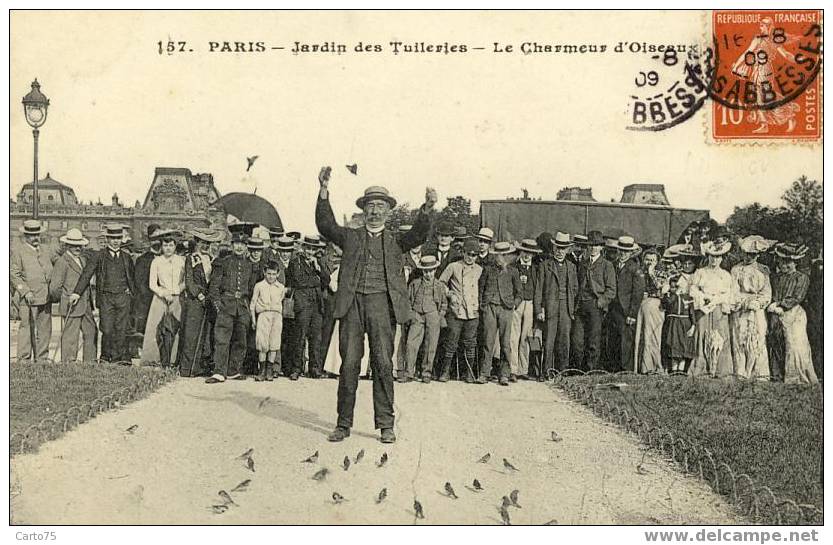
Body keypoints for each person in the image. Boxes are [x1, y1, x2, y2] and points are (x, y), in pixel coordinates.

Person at [315, 167, 435, 444]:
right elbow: (325, 225)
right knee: (349, 365)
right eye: (371, 206)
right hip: (352, 305)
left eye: (380, 206)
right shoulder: (351, 237)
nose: (375, 212)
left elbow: (418, 234)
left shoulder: (396, 240)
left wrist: (427, 209)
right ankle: (343, 424)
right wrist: (323, 190)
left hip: (383, 305)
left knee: (382, 363)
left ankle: (386, 425)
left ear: (388, 212)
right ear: (364, 210)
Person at [72, 224, 136, 364]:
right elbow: (86, 274)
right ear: (107, 239)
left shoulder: (126, 257)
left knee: (121, 327)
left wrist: (131, 294)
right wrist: (77, 292)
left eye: (118, 238)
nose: (115, 241)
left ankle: (120, 358)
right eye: (112, 238)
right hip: (106, 296)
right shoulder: (98, 256)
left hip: (122, 297)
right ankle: (106, 356)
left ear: (122, 239)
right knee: (106, 328)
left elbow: (132, 278)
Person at [206, 228, 257, 383]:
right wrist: (218, 306)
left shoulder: (250, 266)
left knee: (240, 340)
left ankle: (233, 370)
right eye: (236, 244)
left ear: (247, 246)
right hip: (225, 305)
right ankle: (219, 372)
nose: (239, 247)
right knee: (222, 339)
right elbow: (214, 287)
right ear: (232, 245)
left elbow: (251, 288)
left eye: (242, 244)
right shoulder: (224, 262)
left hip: (242, 307)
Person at [768, 243, 818, 384]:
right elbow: (773, 294)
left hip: (794, 313)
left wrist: (782, 305)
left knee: (794, 343)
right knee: (776, 340)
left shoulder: (801, 278)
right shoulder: (776, 278)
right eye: (782, 262)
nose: (784, 265)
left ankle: (795, 376)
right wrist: (774, 304)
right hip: (776, 312)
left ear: (795, 262)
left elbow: (798, 296)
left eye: (788, 262)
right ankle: (777, 374)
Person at [178, 228, 221, 377]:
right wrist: (199, 295)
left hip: (208, 299)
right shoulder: (191, 258)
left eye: (207, 243)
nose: (205, 246)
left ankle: (199, 366)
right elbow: (189, 281)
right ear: (196, 242)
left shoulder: (211, 259)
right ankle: (186, 368)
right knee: (191, 333)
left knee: (206, 334)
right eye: (202, 242)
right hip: (195, 300)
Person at [571, 231, 616, 371]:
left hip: (595, 306)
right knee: (577, 340)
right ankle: (578, 369)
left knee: (593, 341)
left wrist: (600, 303)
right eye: (590, 245)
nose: (593, 248)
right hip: (580, 306)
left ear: (601, 247)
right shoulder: (583, 264)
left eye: (596, 245)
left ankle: (591, 370)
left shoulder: (607, 265)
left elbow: (611, 290)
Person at [49, 228, 97, 363]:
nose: (77, 247)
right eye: (74, 245)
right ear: (67, 246)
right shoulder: (62, 262)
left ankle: (90, 362)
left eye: (79, 244)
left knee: (91, 332)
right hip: (72, 305)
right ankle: (69, 364)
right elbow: (54, 288)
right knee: (70, 337)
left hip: (86, 304)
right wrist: (65, 298)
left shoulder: (82, 260)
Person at [730, 235, 774, 380]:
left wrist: (758, 303)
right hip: (741, 308)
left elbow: (767, 292)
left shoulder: (763, 270)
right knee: (740, 337)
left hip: (756, 309)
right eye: (746, 254)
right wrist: (743, 302)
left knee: (757, 338)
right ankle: (740, 371)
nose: (749, 257)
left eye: (753, 255)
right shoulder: (736, 269)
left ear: (758, 255)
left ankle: (759, 372)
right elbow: (733, 290)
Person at [438, 238, 482, 382]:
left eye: (474, 255)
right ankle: (445, 372)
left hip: (473, 312)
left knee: (470, 343)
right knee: (451, 342)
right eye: (469, 254)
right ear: (463, 253)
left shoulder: (479, 269)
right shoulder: (453, 266)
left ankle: (469, 373)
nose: (471, 258)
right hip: (457, 311)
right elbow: (441, 283)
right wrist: (450, 294)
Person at [688, 240, 734, 378]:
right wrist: (703, 298)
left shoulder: (725, 275)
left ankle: (720, 369)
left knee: (719, 336)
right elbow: (693, 289)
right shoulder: (700, 272)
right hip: (703, 308)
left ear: (722, 258)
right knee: (702, 335)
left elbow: (729, 293)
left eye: (718, 257)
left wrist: (716, 300)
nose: (715, 260)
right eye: (712, 256)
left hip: (719, 307)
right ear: (707, 256)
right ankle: (701, 368)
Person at [479, 241, 522, 385]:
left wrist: (513, 306)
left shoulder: (513, 271)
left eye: (504, 255)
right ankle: (484, 373)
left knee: (505, 343)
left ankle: (504, 374)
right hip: (490, 307)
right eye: (498, 255)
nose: (500, 258)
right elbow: (481, 288)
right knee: (488, 341)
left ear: (508, 256)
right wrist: (483, 306)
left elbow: (519, 293)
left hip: (506, 309)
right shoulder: (487, 269)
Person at [286, 235, 330, 380]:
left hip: (317, 305)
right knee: (299, 336)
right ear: (303, 248)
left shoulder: (317, 263)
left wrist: (318, 269)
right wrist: (316, 280)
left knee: (316, 338)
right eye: (308, 248)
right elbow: (299, 281)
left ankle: (314, 369)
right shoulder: (295, 262)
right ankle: (296, 368)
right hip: (302, 304)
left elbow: (326, 280)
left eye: (313, 249)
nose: (310, 252)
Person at [534, 232, 578, 376]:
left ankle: (562, 372)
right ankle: (546, 371)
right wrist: (539, 309)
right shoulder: (545, 265)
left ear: (567, 250)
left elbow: (575, 288)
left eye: (563, 249)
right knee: (549, 341)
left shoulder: (571, 267)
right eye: (558, 248)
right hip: (550, 307)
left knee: (564, 341)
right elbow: (539, 289)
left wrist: (572, 306)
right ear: (553, 248)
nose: (560, 251)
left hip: (566, 308)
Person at [11, 219, 54, 362]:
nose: (35, 238)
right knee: (26, 328)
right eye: (32, 235)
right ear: (25, 236)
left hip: (46, 297)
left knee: (44, 329)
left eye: (37, 234)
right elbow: (14, 274)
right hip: (28, 298)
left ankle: (42, 358)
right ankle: (24, 359)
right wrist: (25, 291)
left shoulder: (46, 250)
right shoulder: (18, 252)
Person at [141, 230, 185, 365]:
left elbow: (185, 281)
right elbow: (152, 283)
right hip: (160, 298)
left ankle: (173, 360)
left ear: (175, 246)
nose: (168, 248)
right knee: (156, 328)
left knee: (176, 328)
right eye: (165, 246)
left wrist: (175, 291)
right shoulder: (156, 262)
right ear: (161, 247)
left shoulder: (182, 261)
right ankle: (153, 359)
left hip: (177, 297)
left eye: (171, 245)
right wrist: (164, 293)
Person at [402, 255, 448, 383]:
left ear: (435, 270)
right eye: (426, 271)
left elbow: (444, 303)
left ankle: (426, 373)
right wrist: (411, 314)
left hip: (433, 315)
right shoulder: (415, 284)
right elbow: (408, 300)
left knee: (430, 345)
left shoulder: (439, 286)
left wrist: (440, 315)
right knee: (411, 343)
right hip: (417, 314)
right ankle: (409, 372)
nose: (428, 274)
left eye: (431, 271)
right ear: (422, 271)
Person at [606, 235, 645, 372]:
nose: (622, 254)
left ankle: (625, 369)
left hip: (626, 310)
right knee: (613, 338)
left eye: (626, 252)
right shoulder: (613, 265)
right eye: (620, 251)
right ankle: (613, 368)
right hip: (613, 308)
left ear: (631, 253)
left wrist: (632, 314)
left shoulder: (635, 269)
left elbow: (638, 294)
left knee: (625, 341)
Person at [508, 239, 541, 379]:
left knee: (526, 337)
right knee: (513, 336)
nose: (527, 255)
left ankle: (524, 369)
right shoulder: (514, 267)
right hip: (518, 303)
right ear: (521, 252)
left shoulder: (536, 268)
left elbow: (539, 288)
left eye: (531, 253)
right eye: (525, 252)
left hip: (530, 303)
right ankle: (512, 369)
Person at [250, 260, 287, 381]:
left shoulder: (281, 287)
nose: (271, 276)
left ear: (278, 274)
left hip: (276, 316)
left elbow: (281, 301)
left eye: (274, 274)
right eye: (269, 273)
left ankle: (270, 370)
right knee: (262, 344)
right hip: (263, 315)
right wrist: (253, 320)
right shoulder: (259, 286)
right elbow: (253, 303)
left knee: (274, 343)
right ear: (264, 273)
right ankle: (262, 371)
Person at [633, 249, 666, 373]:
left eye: (652, 260)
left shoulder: (661, 273)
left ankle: (653, 365)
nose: (649, 262)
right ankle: (641, 366)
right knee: (641, 335)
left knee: (653, 336)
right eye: (647, 259)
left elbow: (660, 287)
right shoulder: (639, 272)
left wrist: (652, 272)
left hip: (655, 306)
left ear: (657, 261)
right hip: (642, 305)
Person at [661, 273, 696, 373]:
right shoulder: (669, 296)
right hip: (673, 324)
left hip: (685, 324)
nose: (675, 289)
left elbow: (691, 312)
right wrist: (675, 294)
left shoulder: (688, 297)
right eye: (672, 287)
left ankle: (681, 369)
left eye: (677, 286)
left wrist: (693, 325)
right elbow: (668, 304)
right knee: (673, 346)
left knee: (684, 346)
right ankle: (674, 369)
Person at [133, 224, 161, 335]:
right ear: (149, 240)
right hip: (147, 302)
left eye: (159, 238)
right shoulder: (142, 260)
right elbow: (139, 283)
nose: (157, 242)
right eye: (154, 239)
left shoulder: (167, 258)